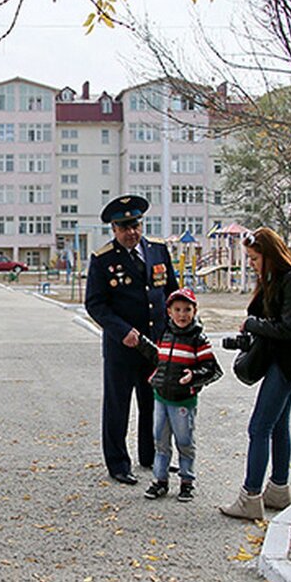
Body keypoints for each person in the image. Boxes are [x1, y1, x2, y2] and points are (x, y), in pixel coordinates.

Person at [220, 227, 291, 520]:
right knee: (277, 426)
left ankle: (250, 497)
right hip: (288, 362)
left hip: (287, 362)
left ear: (269, 255)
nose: (251, 264)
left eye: (254, 259)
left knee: (259, 427)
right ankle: (278, 489)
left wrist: (252, 324)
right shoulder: (280, 279)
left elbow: (287, 329)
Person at [85, 195, 179, 485]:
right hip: (122, 346)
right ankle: (118, 463)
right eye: (124, 227)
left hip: (155, 345)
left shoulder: (159, 251)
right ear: (113, 229)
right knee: (118, 405)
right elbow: (95, 304)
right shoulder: (103, 260)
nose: (131, 232)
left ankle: (151, 456)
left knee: (154, 404)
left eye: (135, 225)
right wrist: (121, 330)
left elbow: (171, 293)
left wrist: (179, 327)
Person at [136, 288, 223, 501]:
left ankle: (186, 481)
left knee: (184, 441)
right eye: (177, 309)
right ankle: (160, 480)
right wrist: (141, 343)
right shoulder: (166, 335)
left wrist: (193, 376)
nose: (182, 314)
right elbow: (160, 359)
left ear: (194, 311)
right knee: (160, 441)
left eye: (187, 309)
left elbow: (212, 368)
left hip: (183, 400)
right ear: (169, 312)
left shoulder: (198, 339)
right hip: (161, 398)